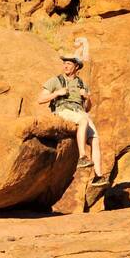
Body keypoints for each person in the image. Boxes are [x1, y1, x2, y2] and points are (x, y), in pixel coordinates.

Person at [38, 55, 107, 187]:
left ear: (76, 67)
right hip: (63, 110)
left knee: (95, 139)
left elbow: (87, 109)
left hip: (79, 111)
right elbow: (40, 99)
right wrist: (57, 93)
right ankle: (82, 157)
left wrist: (86, 98)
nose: (66, 66)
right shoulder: (56, 80)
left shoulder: (82, 84)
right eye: (65, 63)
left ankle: (98, 176)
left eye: (69, 64)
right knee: (82, 120)